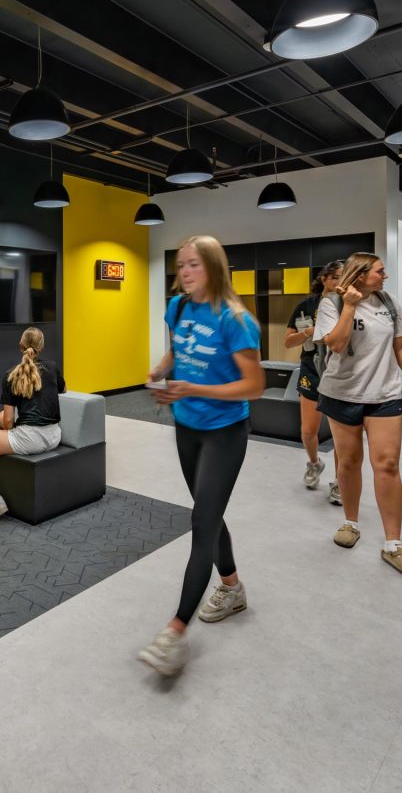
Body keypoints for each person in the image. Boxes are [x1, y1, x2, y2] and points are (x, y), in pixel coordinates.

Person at [136, 235, 265, 677]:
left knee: (202, 522)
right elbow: (178, 352)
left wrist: (194, 389)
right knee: (208, 512)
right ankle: (232, 587)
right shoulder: (177, 308)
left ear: (213, 267)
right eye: (180, 265)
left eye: (193, 264)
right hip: (187, 427)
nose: (184, 272)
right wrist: (161, 372)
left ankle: (174, 631)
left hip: (226, 431)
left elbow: (253, 386)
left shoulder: (236, 320)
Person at [313, 252, 402, 578]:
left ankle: (393, 544)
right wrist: (349, 306)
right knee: (348, 462)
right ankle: (351, 522)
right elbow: (335, 343)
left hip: (384, 395)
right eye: (379, 271)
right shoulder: (331, 303)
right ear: (360, 274)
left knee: (387, 464)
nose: (384, 276)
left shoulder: (389, 303)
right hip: (341, 394)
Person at [0, 326, 66, 520]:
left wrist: (15, 429)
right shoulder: (53, 366)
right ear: (41, 347)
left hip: (31, 440)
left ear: (20, 346)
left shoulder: (11, 375)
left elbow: (8, 422)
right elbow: (63, 391)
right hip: (54, 435)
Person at [284, 261, 343, 505]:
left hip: (342, 372)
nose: (339, 283)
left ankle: (341, 480)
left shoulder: (350, 306)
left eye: (343, 278)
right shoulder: (306, 306)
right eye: (335, 277)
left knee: (341, 434)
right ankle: (314, 463)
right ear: (324, 279)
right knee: (309, 430)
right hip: (312, 369)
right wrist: (308, 332)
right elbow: (288, 342)